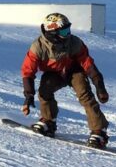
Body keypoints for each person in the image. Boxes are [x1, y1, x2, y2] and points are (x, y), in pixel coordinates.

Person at [21, 12, 111, 147]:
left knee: (85, 95)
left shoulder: (74, 42)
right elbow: (28, 71)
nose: (67, 34)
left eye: (68, 29)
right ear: (52, 33)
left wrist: (99, 85)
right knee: (44, 91)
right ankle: (48, 121)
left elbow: (88, 63)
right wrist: (29, 96)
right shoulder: (38, 47)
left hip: (74, 71)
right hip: (54, 73)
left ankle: (99, 131)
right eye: (63, 31)